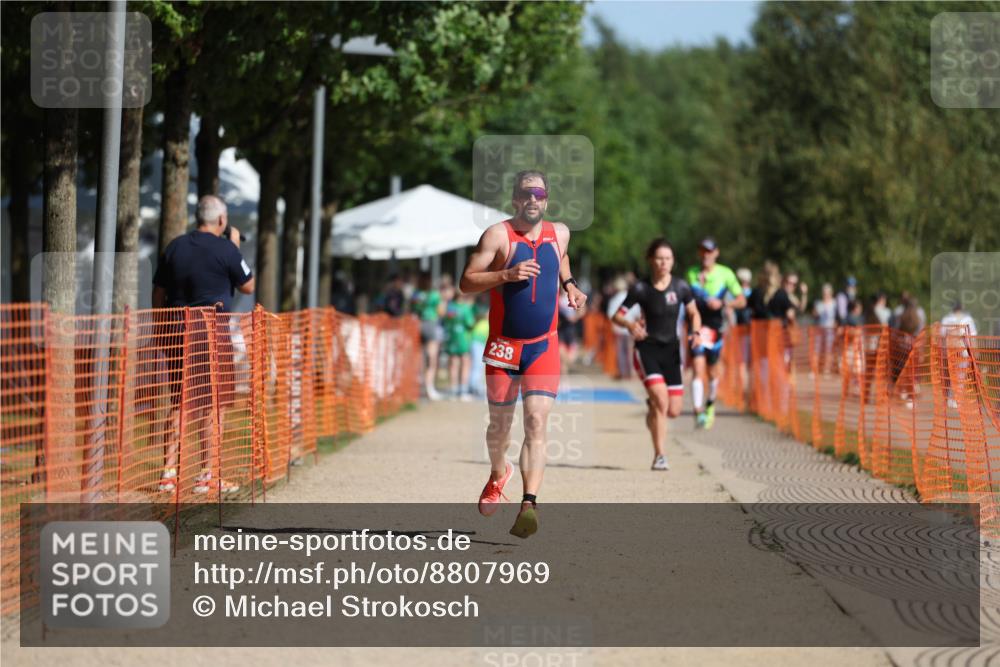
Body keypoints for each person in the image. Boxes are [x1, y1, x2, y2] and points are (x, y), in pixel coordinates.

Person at [459, 170, 587, 538]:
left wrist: (571, 285)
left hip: (544, 345)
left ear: (547, 200)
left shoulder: (560, 232)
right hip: (503, 345)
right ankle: (500, 472)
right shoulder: (498, 235)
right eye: (526, 194)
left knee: (536, 421)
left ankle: (529, 503)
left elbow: (560, 258)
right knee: (498, 427)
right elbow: (467, 281)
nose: (533, 199)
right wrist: (506, 274)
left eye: (540, 194)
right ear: (515, 199)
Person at [151, 195, 255, 495]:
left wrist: (161, 327)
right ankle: (207, 474)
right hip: (212, 333)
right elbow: (248, 285)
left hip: (179, 330)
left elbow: (159, 292)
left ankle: (168, 473)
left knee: (180, 400)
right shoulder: (226, 248)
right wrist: (234, 246)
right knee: (214, 403)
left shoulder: (175, 246)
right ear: (221, 220)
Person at [612, 239, 701, 470]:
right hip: (647, 349)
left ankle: (652, 411)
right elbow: (618, 315)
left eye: (668, 258)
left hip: (671, 351)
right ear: (651, 260)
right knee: (662, 400)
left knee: (673, 410)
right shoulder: (641, 288)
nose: (664, 263)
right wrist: (631, 326)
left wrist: (696, 331)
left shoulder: (681, 287)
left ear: (673, 261)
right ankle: (660, 455)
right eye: (659, 258)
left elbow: (693, 312)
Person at [685, 238, 746, 429]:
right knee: (697, 367)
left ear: (716, 253)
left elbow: (742, 300)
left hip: (715, 329)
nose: (706, 255)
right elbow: (692, 296)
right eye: (703, 251)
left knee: (712, 372)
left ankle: (710, 403)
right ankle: (697, 411)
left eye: (709, 251)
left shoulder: (726, 273)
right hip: (697, 326)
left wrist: (724, 303)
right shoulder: (692, 273)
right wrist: (701, 288)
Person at [411, 271, 445, 400]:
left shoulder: (416, 294)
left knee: (419, 356)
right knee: (432, 357)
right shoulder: (435, 295)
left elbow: (411, 308)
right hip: (430, 323)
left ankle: (419, 385)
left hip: (416, 324)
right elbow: (441, 311)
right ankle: (429, 388)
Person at [443, 292, 476, 399]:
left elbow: (445, 322)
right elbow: (470, 323)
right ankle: (463, 391)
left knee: (453, 363)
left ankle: (453, 389)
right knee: (465, 363)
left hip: (452, 337)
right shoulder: (465, 308)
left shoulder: (450, 308)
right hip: (463, 339)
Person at [606, 276, 636, 380]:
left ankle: (623, 372)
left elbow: (610, 314)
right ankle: (631, 373)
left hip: (619, 328)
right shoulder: (630, 297)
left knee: (621, 352)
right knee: (630, 351)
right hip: (630, 327)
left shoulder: (614, 299)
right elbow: (636, 312)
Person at [813, 283, 838, 373]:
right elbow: (815, 316)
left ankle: (827, 369)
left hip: (830, 329)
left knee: (828, 349)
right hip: (820, 329)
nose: (826, 294)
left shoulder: (835, 303)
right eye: (824, 293)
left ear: (831, 293)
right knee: (817, 348)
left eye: (827, 293)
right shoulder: (819, 303)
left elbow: (838, 316)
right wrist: (815, 310)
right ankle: (815, 369)